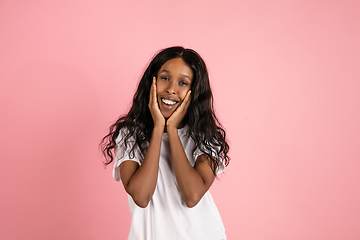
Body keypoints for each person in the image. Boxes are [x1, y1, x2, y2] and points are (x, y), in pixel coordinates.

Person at [100, 46, 230, 240]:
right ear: (152, 81)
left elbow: (193, 196)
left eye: (183, 83)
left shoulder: (204, 136)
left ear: (194, 91)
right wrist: (158, 128)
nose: (171, 89)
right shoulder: (130, 135)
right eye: (165, 78)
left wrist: (172, 131)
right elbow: (141, 196)